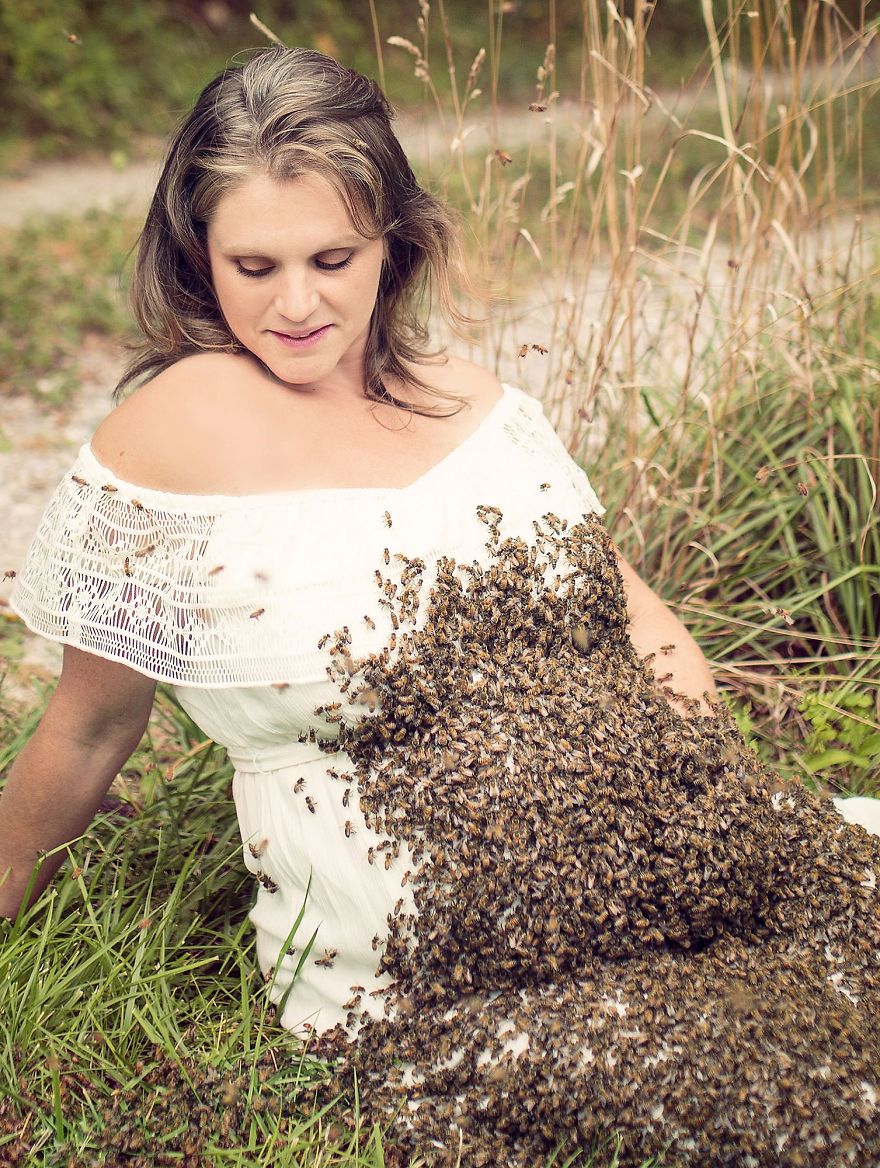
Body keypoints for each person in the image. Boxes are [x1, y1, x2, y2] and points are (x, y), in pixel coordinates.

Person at [2, 46, 878, 1168]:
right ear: (196, 256)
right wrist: (8, 889)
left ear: (393, 242)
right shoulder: (172, 431)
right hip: (431, 964)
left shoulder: (477, 406)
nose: (298, 302)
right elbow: (90, 721)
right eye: (253, 264)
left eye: (333, 256)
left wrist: (711, 818)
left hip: (657, 860)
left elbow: (637, 614)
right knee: (781, 1098)